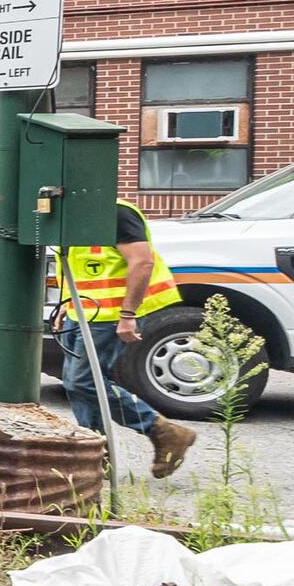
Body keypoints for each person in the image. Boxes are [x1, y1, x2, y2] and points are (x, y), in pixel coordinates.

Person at [61, 201, 199, 477]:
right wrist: (67, 304)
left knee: (85, 382)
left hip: (112, 313)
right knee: (78, 385)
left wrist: (128, 314)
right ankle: (95, 457)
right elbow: (77, 265)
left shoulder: (116, 212)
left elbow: (142, 261)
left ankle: (162, 430)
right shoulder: (74, 211)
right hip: (83, 311)